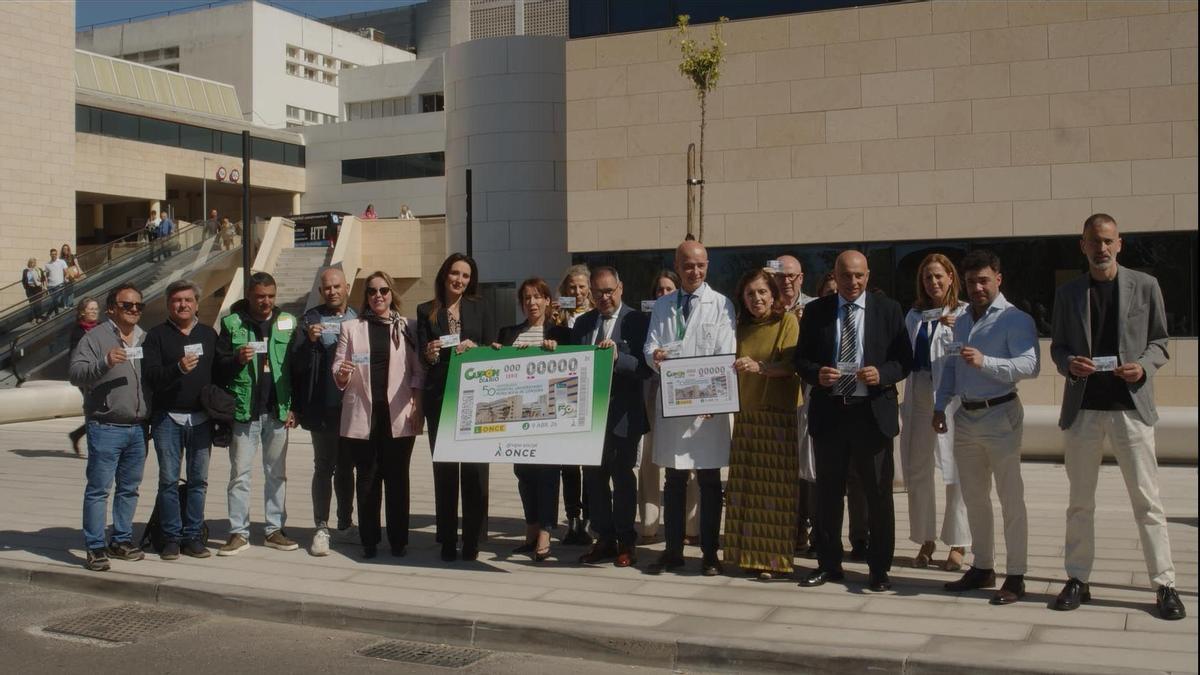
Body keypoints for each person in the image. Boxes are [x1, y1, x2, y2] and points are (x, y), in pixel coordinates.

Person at [1049, 214, 1185, 620]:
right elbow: (1057, 348)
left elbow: (1161, 341)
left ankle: (1164, 584)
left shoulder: (1146, 285)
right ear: (1083, 245)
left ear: (1120, 244)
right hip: (1084, 409)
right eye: (1095, 241)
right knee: (1080, 503)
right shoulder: (1069, 293)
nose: (1102, 248)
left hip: (1131, 408)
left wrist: (1143, 365)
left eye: (1108, 241)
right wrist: (1070, 363)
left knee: (1147, 502)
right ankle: (1077, 578)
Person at [795, 250, 912, 593]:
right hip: (831, 413)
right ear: (835, 274)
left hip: (871, 414)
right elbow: (801, 360)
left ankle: (879, 569)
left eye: (859, 275)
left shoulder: (888, 310)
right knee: (828, 495)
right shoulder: (816, 311)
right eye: (846, 275)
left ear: (868, 275)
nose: (853, 282)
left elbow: (904, 360)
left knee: (877, 495)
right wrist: (818, 373)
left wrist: (883, 374)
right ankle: (829, 565)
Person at [935, 249, 1039, 605]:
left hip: (1001, 414)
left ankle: (1017, 574)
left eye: (983, 280)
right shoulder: (962, 320)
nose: (977, 287)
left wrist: (986, 361)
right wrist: (939, 405)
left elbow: (1029, 366)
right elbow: (951, 366)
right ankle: (983, 567)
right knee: (974, 498)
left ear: (998, 278)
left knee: (1011, 498)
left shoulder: (1015, 319)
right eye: (970, 281)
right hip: (965, 416)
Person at [643, 240, 736, 576]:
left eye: (699, 265)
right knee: (674, 480)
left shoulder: (721, 304)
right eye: (687, 266)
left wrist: (715, 397)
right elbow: (650, 345)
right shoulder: (663, 305)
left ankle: (710, 553)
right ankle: (673, 551)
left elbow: (727, 352)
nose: (694, 272)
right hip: (673, 402)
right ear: (677, 266)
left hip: (707, 409)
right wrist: (654, 357)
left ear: (707, 265)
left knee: (710, 481)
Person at [333, 271, 424, 559]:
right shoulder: (352, 327)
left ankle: (399, 541)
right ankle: (369, 541)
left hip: (398, 414)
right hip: (364, 415)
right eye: (372, 291)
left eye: (383, 290)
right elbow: (338, 367)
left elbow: (418, 371)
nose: (378, 296)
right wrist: (342, 373)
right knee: (368, 480)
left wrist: (417, 405)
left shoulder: (407, 326)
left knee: (398, 480)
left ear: (391, 293)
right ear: (366, 296)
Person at [215, 272, 300, 556]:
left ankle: (274, 529)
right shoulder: (231, 323)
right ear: (249, 296)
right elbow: (218, 366)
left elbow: (296, 367)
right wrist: (236, 358)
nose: (266, 302)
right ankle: (238, 533)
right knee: (239, 474)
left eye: (271, 296)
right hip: (244, 411)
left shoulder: (288, 321)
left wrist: (294, 407)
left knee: (276, 474)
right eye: (260, 296)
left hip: (277, 410)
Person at [726, 268, 802, 580]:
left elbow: (792, 364)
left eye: (762, 292)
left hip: (777, 416)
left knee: (775, 494)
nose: (757, 298)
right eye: (750, 294)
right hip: (746, 415)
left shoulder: (787, 322)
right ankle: (746, 555)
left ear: (773, 295)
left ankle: (773, 561)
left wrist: (761, 367)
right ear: (742, 299)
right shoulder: (739, 328)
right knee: (744, 490)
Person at [416, 253, 493, 562]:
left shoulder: (481, 306)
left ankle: (472, 541)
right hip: (441, 399)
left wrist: (477, 349)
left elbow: (492, 345)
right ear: (444, 274)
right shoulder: (426, 311)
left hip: (477, 399)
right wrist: (431, 353)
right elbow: (423, 357)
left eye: (465, 275)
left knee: (475, 473)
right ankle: (447, 540)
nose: (459, 280)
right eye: (455, 273)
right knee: (445, 472)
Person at [69, 283, 150, 572]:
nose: (134, 310)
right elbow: (76, 373)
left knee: (129, 489)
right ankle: (95, 547)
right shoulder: (96, 337)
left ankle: (122, 540)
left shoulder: (143, 337)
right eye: (127, 305)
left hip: (139, 428)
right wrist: (104, 362)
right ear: (112, 308)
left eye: (138, 306)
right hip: (105, 425)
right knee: (99, 490)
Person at [574, 266, 651, 568]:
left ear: (620, 288)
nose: (604, 297)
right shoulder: (582, 323)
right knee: (593, 479)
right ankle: (602, 538)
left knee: (622, 478)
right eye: (598, 292)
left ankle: (625, 540)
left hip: (624, 415)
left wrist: (619, 357)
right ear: (591, 293)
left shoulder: (638, 321)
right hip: (590, 415)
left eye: (609, 291)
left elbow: (647, 367)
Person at [898, 254, 970, 571]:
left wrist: (959, 330)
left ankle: (958, 542)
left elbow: (971, 355)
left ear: (951, 277)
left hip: (952, 397)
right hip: (919, 394)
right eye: (928, 277)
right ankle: (925, 538)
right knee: (918, 469)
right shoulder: (914, 315)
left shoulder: (964, 313)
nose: (934, 282)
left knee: (956, 469)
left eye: (939, 276)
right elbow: (902, 354)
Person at [495, 277, 571, 562]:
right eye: (527, 298)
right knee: (524, 474)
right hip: (517, 418)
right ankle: (531, 528)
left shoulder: (561, 334)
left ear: (548, 301)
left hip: (550, 417)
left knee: (548, 474)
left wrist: (557, 351)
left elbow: (572, 368)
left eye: (538, 296)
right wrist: (496, 353)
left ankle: (546, 533)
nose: (532, 302)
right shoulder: (509, 333)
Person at [143, 280, 218, 560]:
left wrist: (238, 360)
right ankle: (171, 537)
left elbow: (220, 373)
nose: (183, 305)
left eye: (188, 300)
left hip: (201, 419)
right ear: (168, 304)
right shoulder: (156, 336)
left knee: (199, 481)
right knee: (168, 480)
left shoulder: (209, 335)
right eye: (176, 300)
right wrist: (177, 368)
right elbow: (150, 376)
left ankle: (193, 536)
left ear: (197, 303)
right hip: (168, 419)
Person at [292, 267, 358, 556]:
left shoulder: (360, 318)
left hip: (355, 406)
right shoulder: (309, 321)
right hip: (322, 407)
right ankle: (321, 526)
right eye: (326, 288)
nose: (332, 292)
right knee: (323, 467)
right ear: (321, 292)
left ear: (347, 288)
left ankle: (345, 522)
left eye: (337, 286)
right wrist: (309, 341)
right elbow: (295, 366)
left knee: (348, 467)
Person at [637, 270, 700, 545]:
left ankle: (691, 527)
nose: (663, 294)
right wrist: (654, 356)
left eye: (668, 289)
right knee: (650, 460)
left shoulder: (692, 311)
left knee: (690, 462)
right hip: (653, 391)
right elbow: (646, 351)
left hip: (688, 392)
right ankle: (649, 525)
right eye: (658, 290)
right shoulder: (649, 318)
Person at [554, 264, 594, 546]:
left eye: (581, 287)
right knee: (568, 466)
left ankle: (590, 520)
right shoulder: (556, 318)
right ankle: (573, 519)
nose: (577, 292)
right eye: (572, 288)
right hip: (563, 397)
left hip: (590, 397)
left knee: (590, 464)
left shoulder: (596, 317)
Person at [67, 297, 102, 455]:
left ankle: (77, 434)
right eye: (91, 309)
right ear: (82, 312)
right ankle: (93, 445)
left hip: (102, 374)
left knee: (99, 410)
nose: (94, 311)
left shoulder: (103, 327)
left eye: (96, 309)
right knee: (95, 409)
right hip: (86, 377)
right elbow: (76, 357)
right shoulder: (78, 332)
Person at [44, 248, 68, 315]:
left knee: (55, 300)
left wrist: (66, 278)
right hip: (50, 286)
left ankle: (47, 315)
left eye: (55, 254)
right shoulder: (47, 264)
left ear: (57, 254)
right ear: (50, 255)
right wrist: (46, 285)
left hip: (59, 285)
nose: (54, 255)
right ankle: (57, 313)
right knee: (54, 301)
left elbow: (66, 272)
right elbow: (46, 276)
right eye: (52, 254)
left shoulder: (62, 262)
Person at [22, 257, 46, 323]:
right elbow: (23, 280)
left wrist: (40, 279)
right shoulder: (25, 271)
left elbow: (43, 278)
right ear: (29, 263)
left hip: (38, 288)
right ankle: (33, 318)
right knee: (32, 304)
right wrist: (26, 287)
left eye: (34, 262)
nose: (33, 264)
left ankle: (39, 317)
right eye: (31, 262)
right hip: (30, 289)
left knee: (38, 304)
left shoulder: (38, 269)